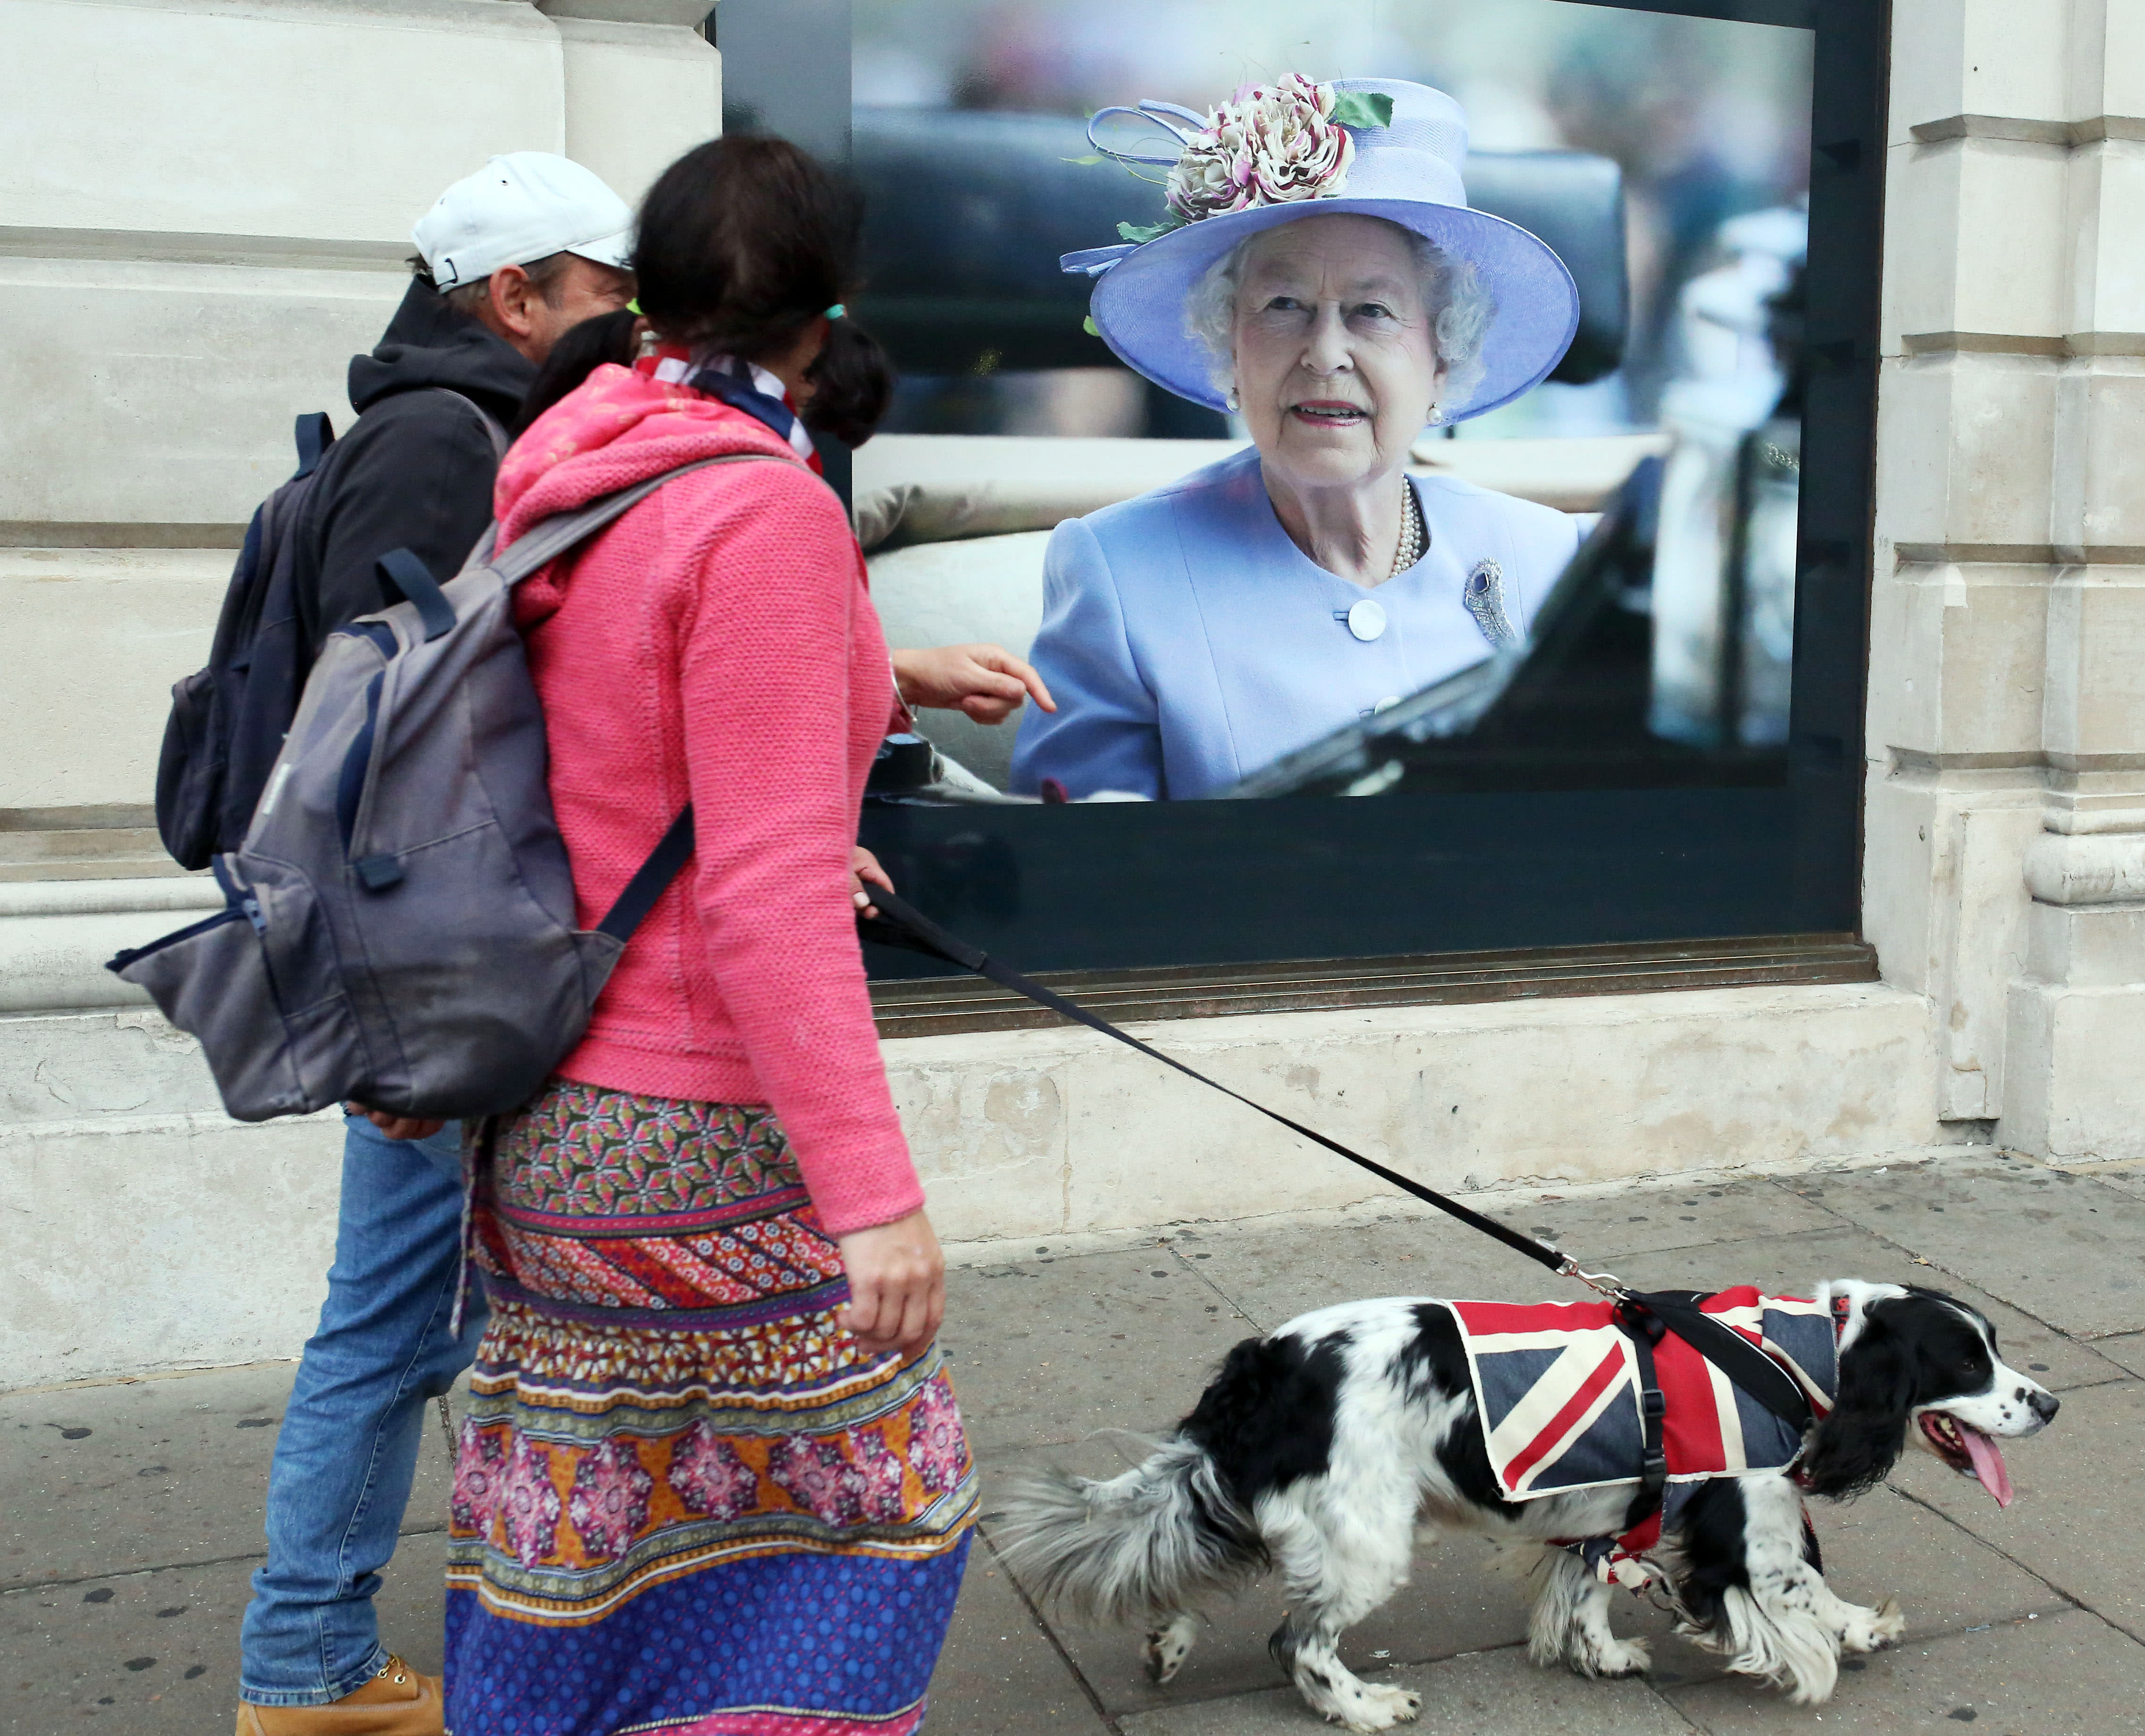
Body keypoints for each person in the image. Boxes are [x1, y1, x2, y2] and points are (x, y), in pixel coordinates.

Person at [441, 135, 1011, 1736]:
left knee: (586, 1528)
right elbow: (762, 897)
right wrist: (875, 1200)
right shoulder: (759, 509)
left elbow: (630, 728)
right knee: (887, 1511)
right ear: (824, 313)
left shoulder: (589, 451)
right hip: (692, 1124)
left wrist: (865, 696)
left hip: (549, 1120)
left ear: (652, 296)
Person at [237, 152, 637, 1736]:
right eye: (606, 293)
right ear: (514, 293)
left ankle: (431, 1622)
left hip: (462, 960)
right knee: (393, 1316)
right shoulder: (440, 445)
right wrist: (401, 1026)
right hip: (438, 976)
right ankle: (308, 1665)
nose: (631, 325)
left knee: (439, 1312)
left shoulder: (476, 428)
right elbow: (371, 755)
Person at [1009, 76, 1588, 800]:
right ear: (1230, 347)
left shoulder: (1551, 559)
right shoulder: (1118, 574)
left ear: (1442, 359)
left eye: (1372, 311)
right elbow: (1082, 873)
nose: (1324, 353)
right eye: (1284, 305)